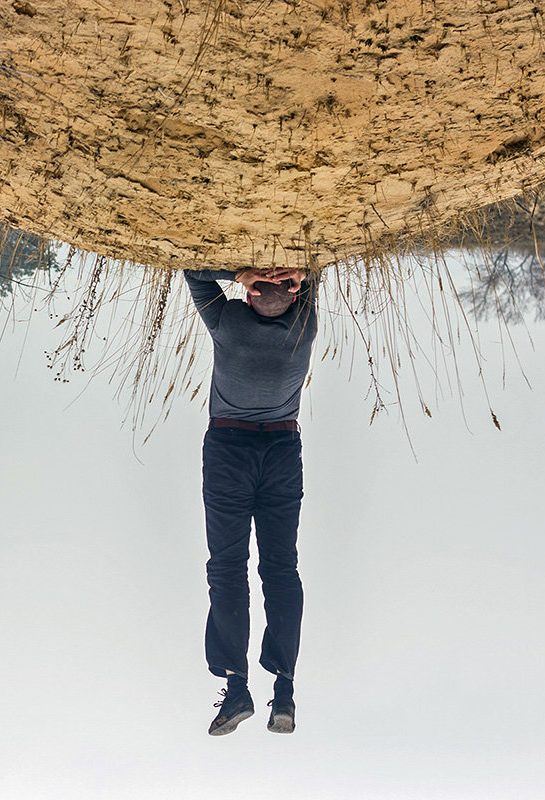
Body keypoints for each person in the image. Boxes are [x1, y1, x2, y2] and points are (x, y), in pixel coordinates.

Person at [183, 266, 318, 736]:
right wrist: (264, 281)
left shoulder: (231, 325)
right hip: (282, 451)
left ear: (247, 297)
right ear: (296, 296)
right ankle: (283, 686)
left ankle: (236, 684)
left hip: (229, 452)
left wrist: (240, 272)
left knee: (226, 566)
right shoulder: (305, 328)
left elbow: (192, 268)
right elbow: (314, 270)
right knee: (281, 568)